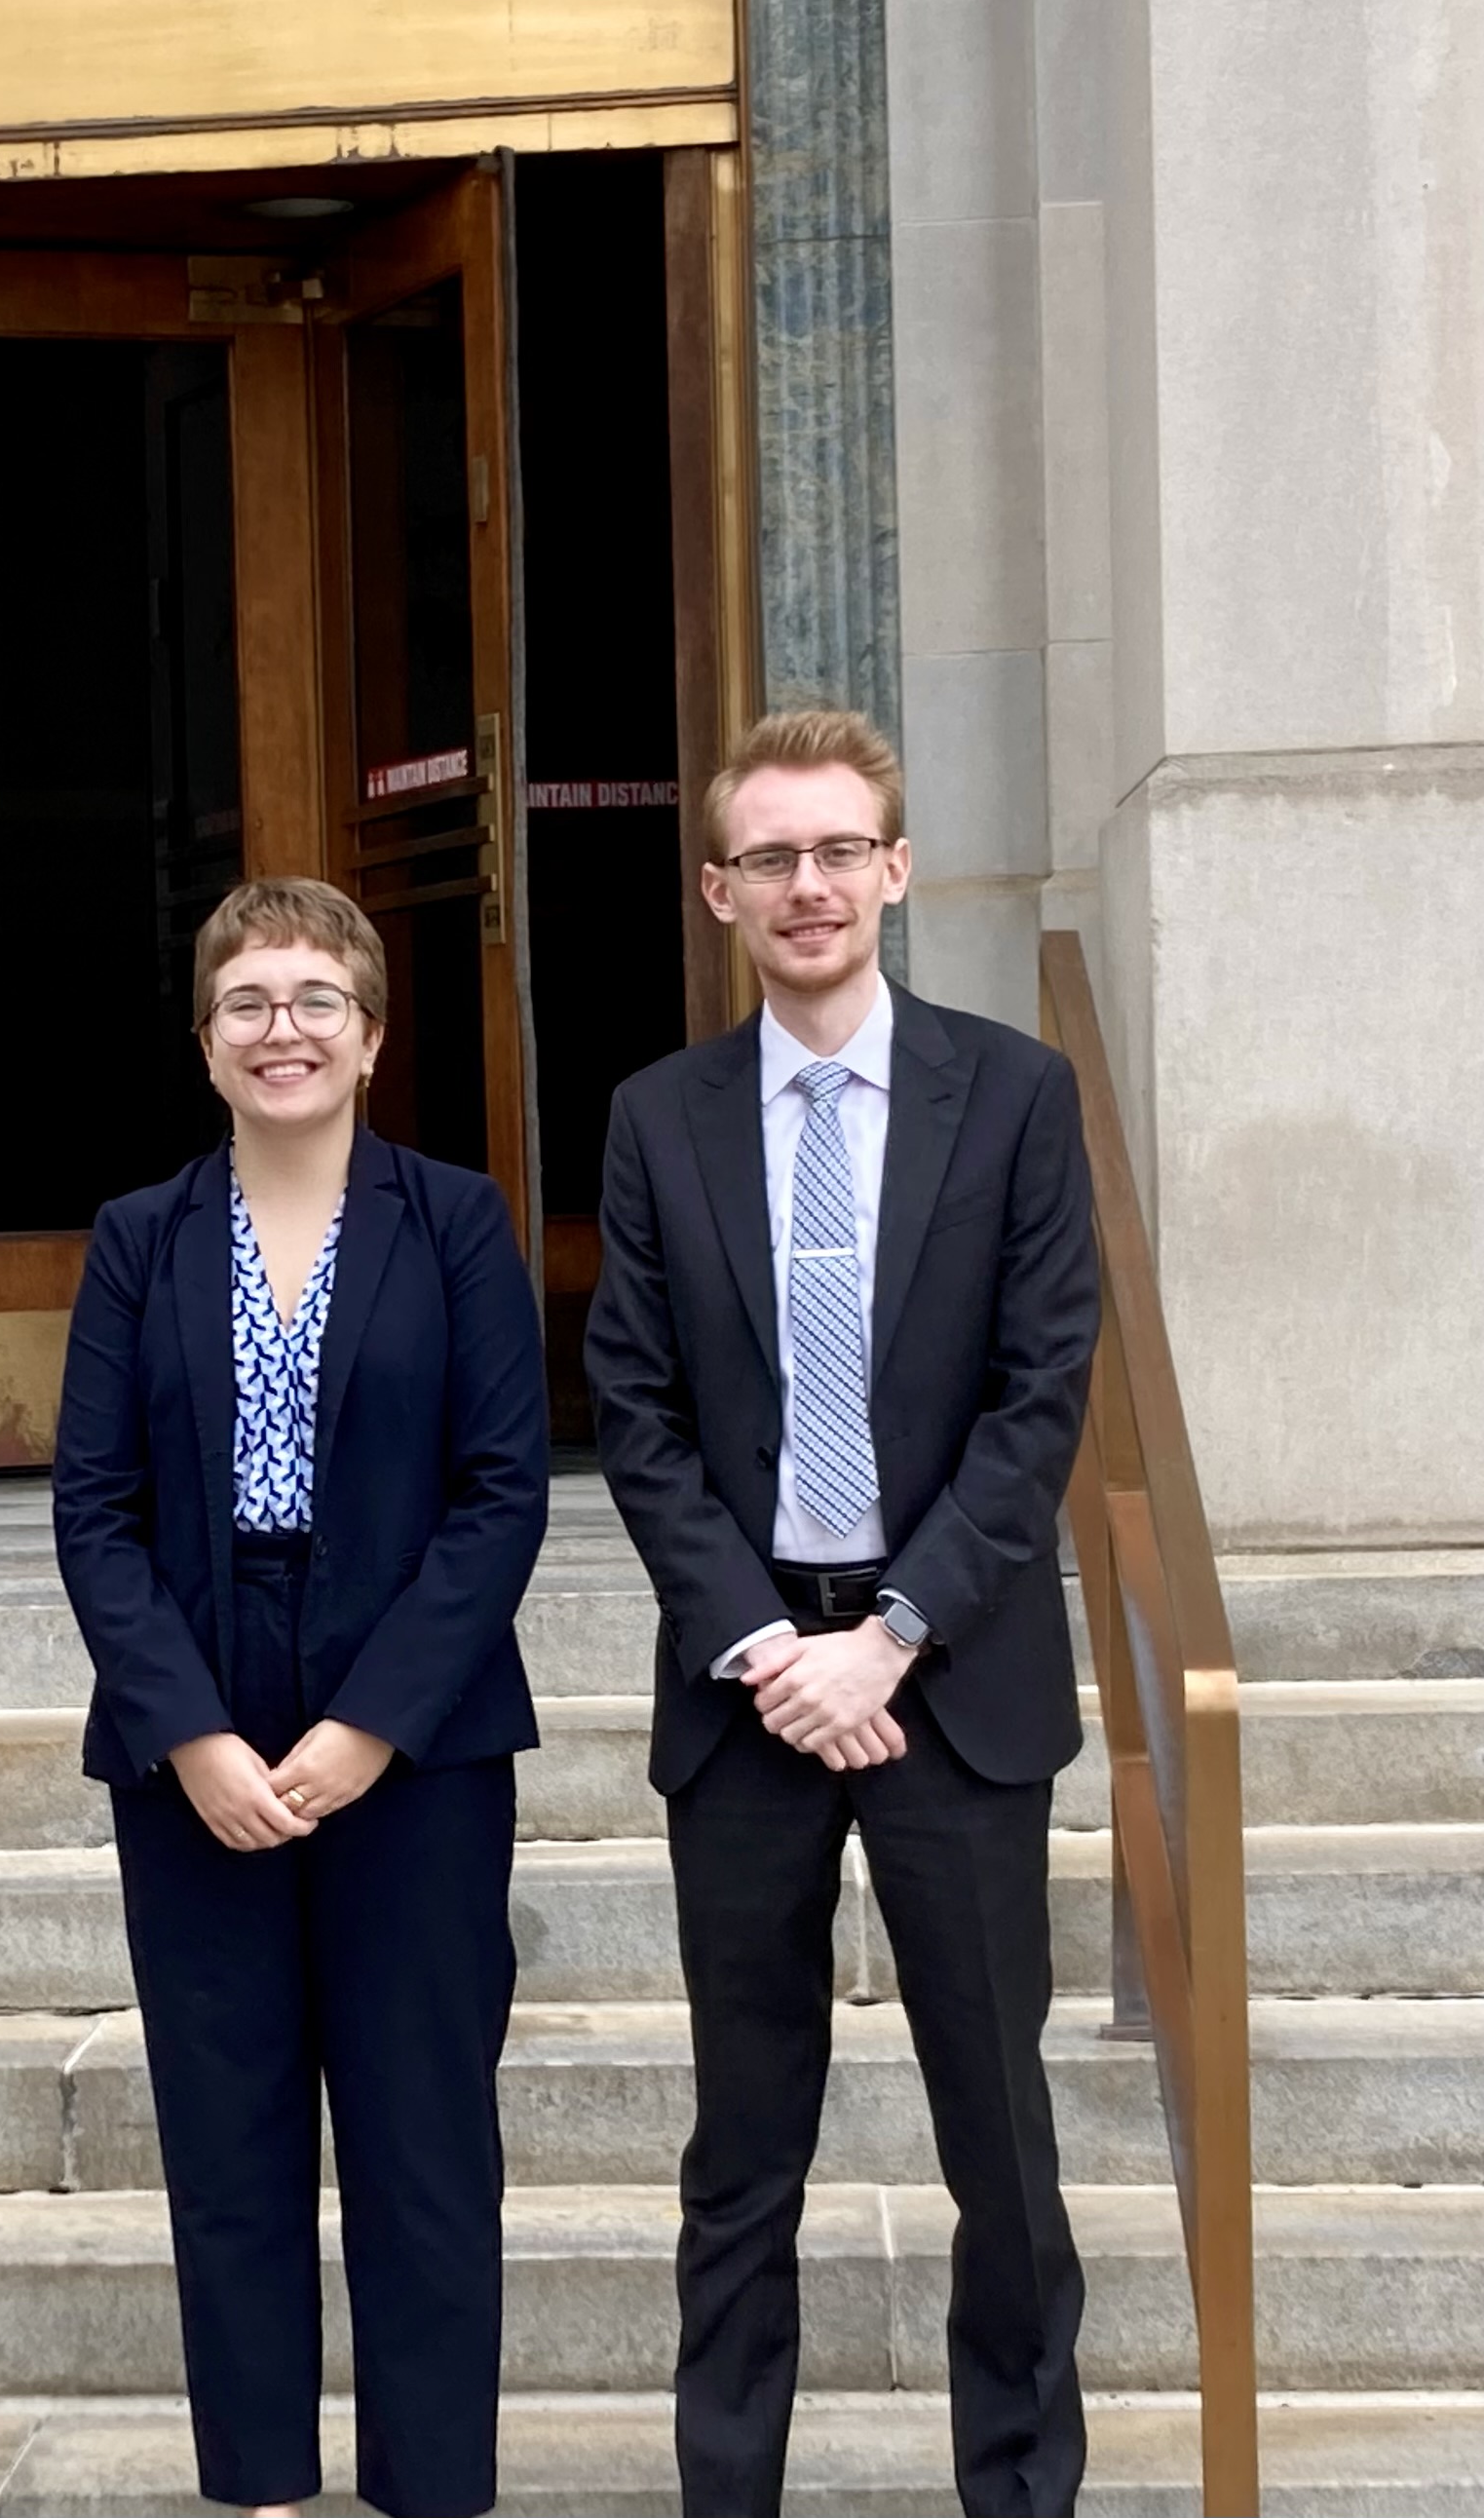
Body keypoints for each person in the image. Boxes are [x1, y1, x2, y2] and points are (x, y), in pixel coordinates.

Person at [586, 708, 1098, 2517]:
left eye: (837, 851)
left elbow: (1044, 1393)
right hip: (746, 1693)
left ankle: (1019, 2487)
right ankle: (730, 2488)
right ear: (720, 890)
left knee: (1000, 2136)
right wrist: (766, 1645)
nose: (805, 886)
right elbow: (633, 1414)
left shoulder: (1015, 1092)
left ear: (893, 867)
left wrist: (890, 1632)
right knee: (744, 2144)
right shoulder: (660, 1118)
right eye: (768, 859)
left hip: (947, 1679)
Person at [52, 876, 549, 2518]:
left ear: (373, 1031)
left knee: (421, 2144)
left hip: (416, 1722)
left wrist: (364, 1731)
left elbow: (501, 1495)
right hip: (193, 1709)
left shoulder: (459, 1220)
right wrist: (191, 1733)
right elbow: (95, 1511)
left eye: (316, 999)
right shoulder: (138, 1240)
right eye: (249, 1003)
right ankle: (259, 2485)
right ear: (206, 1044)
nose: (284, 1030)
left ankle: (432, 2491)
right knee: (231, 2140)